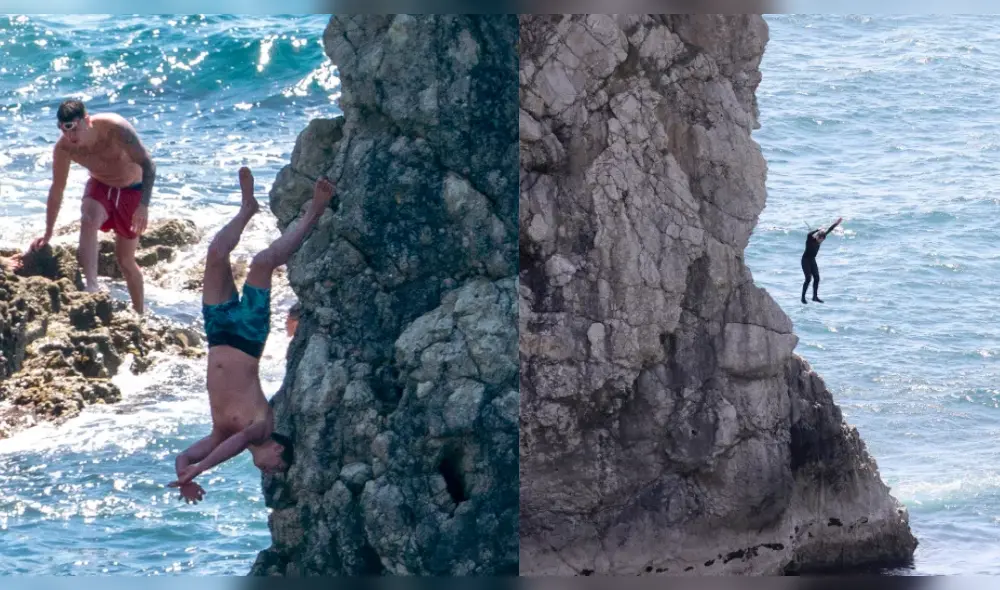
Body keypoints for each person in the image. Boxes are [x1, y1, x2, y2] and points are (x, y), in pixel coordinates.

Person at [168, 167, 334, 504]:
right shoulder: (263, 427)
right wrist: (201, 471)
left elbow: (184, 457)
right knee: (263, 262)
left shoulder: (219, 433)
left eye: (274, 472)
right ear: (276, 448)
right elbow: (238, 444)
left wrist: (185, 474)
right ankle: (312, 212)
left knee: (215, 257)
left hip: (217, 334)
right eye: (278, 465)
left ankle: (247, 209)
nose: (272, 470)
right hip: (246, 336)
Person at [28, 99, 155, 314]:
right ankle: (92, 287)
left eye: (74, 129)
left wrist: (144, 205)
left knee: (125, 260)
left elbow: (148, 164)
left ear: (87, 120)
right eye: (63, 130)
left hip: (132, 190)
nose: (70, 136)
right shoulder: (64, 148)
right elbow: (57, 190)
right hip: (101, 185)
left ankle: (140, 313)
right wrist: (48, 232)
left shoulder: (115, 128)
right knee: (88, 219)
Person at [801, 217, 842, 304]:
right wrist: (817, 229)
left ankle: (814, 297)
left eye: (822, 240)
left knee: (817, 277)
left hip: (812, 260)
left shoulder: (821, 237)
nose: (821, 242)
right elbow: (809, 234)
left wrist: (837, 223)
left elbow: (830, 229)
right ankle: (803, 298)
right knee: (808, 278)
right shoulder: (810, 240)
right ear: (817, 237)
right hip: (805, 260)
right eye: (820, 240)